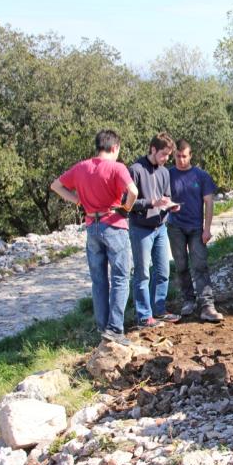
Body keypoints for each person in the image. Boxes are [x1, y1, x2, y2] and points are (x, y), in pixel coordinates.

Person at [50, 129, 138, 344]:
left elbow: (55, 186)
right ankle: (115, 329)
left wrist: (76, 200)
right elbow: (133, 191)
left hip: (91, 225)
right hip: (113, 224)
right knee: (120, 277)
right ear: (115, 147)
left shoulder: (81, 167)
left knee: (98, 280)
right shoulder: (117, 167)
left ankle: (102, 326)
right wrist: (126, 208)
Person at [128, 132, 181, 328]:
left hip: (160, 227)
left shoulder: (165, 172)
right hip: (140, 228)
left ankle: (158, 310)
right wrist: (152, 203)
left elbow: (165, 197)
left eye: (168, 155)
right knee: (142, 273)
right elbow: (128, 204)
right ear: (153, 149)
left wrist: (170, 205)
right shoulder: (135, 170)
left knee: (163, 271)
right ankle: (143, 316)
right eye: (164, 154)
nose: (166, 158)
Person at [167, 139, 223, 322]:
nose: (181, 160)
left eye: (184, 156)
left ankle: (207, 304)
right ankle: (188, 300)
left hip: (196, 228)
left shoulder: (201, 176)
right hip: (175, 227)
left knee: (200, 264)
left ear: (190, 156)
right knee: (181, 265)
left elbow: (209, 202)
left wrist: (207, 229)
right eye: (178, 156)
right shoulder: (168, 175)